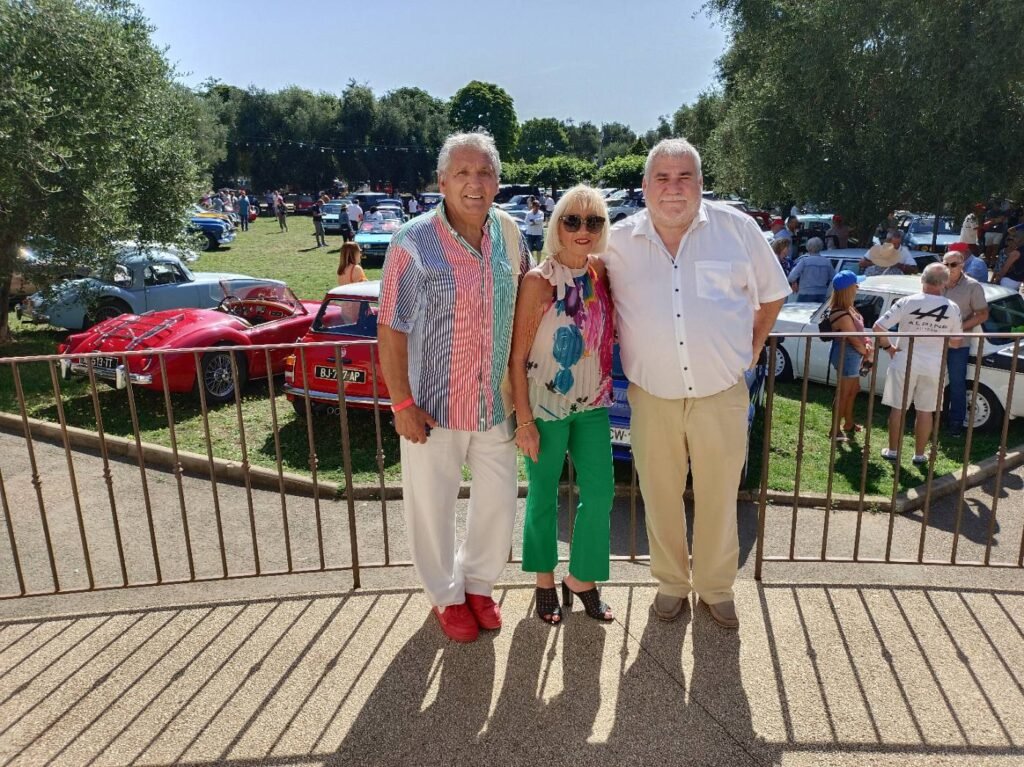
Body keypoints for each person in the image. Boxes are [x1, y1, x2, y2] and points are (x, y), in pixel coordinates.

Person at [602, 138, 790, 629]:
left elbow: (773, 293)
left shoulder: (736, 229)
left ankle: (716, 588)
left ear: (701, 183)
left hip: (720, 394)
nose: (673, 187)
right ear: (645, 186)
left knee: (719, 496)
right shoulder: (617, 241)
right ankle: (670, 584)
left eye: (684, 176)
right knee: (659, 496)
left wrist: (752, 348)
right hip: (652, 396)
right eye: (662, 177)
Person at [377, 131, 531, 644]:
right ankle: (445, 594)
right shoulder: (412, 241)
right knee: (432, 507)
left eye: (485, 172)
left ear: (498, 182)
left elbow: (528, 302)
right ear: (442, 182)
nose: (474, 183)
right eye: (462, 173)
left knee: (498, 503)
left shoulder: (510, 234)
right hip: (432, 407)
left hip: (494, 405)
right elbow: (391, 327)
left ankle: (479, 583)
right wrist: (401, 402)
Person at [510, 185, 615, 625]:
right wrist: (524, 421)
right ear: (557, 226)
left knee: (601, 492)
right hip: (545, 406)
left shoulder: (600, 272)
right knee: (543, 494)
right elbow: (517, 357)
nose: (583, 230)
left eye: (594, 221)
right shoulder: (539, 281)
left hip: (593, 403)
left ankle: (582, 578)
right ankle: (544, 580)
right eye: (572, 220)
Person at [873, 263, 962, 465]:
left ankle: (893, 451)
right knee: (926, 410)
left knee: (898, 408)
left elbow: (878, 327)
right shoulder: (952, 307)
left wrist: (888, 348)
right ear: (945, 283)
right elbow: (956, 342)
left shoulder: (906, 301)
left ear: (922, 279)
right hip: (934, 365)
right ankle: (919, 455)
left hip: (904, 360)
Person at [941, 247, 989, 436]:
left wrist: (958, 328)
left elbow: (983, 314)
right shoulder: (937, 281)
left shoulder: (973, 286)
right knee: (931, 378)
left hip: (958, 343)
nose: (949, 268)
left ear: (962, 265)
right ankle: (930, 416)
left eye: (953, 264)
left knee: (957, 382)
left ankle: (956, 421)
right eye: (945, 264)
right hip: (935, 340)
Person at [826, 270, 872, 442]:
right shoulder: (842, 313)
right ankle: (834, 431)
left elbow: (859, 334)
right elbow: (854, 339)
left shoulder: (848, 308)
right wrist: (867, 352)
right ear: (848, 289)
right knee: (844, 393)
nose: (858, 287)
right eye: (855, 285)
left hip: (852, 354)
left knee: (853, 390)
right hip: (847, 355)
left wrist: (866, 344)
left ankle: (848, 423)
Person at [788, 236, 835, 303]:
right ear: (821, 247)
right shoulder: (827, 262)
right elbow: (834, 278)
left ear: (808, 247)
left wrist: (794, 282)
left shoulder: (804, 261)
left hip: (805, 294)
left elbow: (791, 277)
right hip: (821, 294)